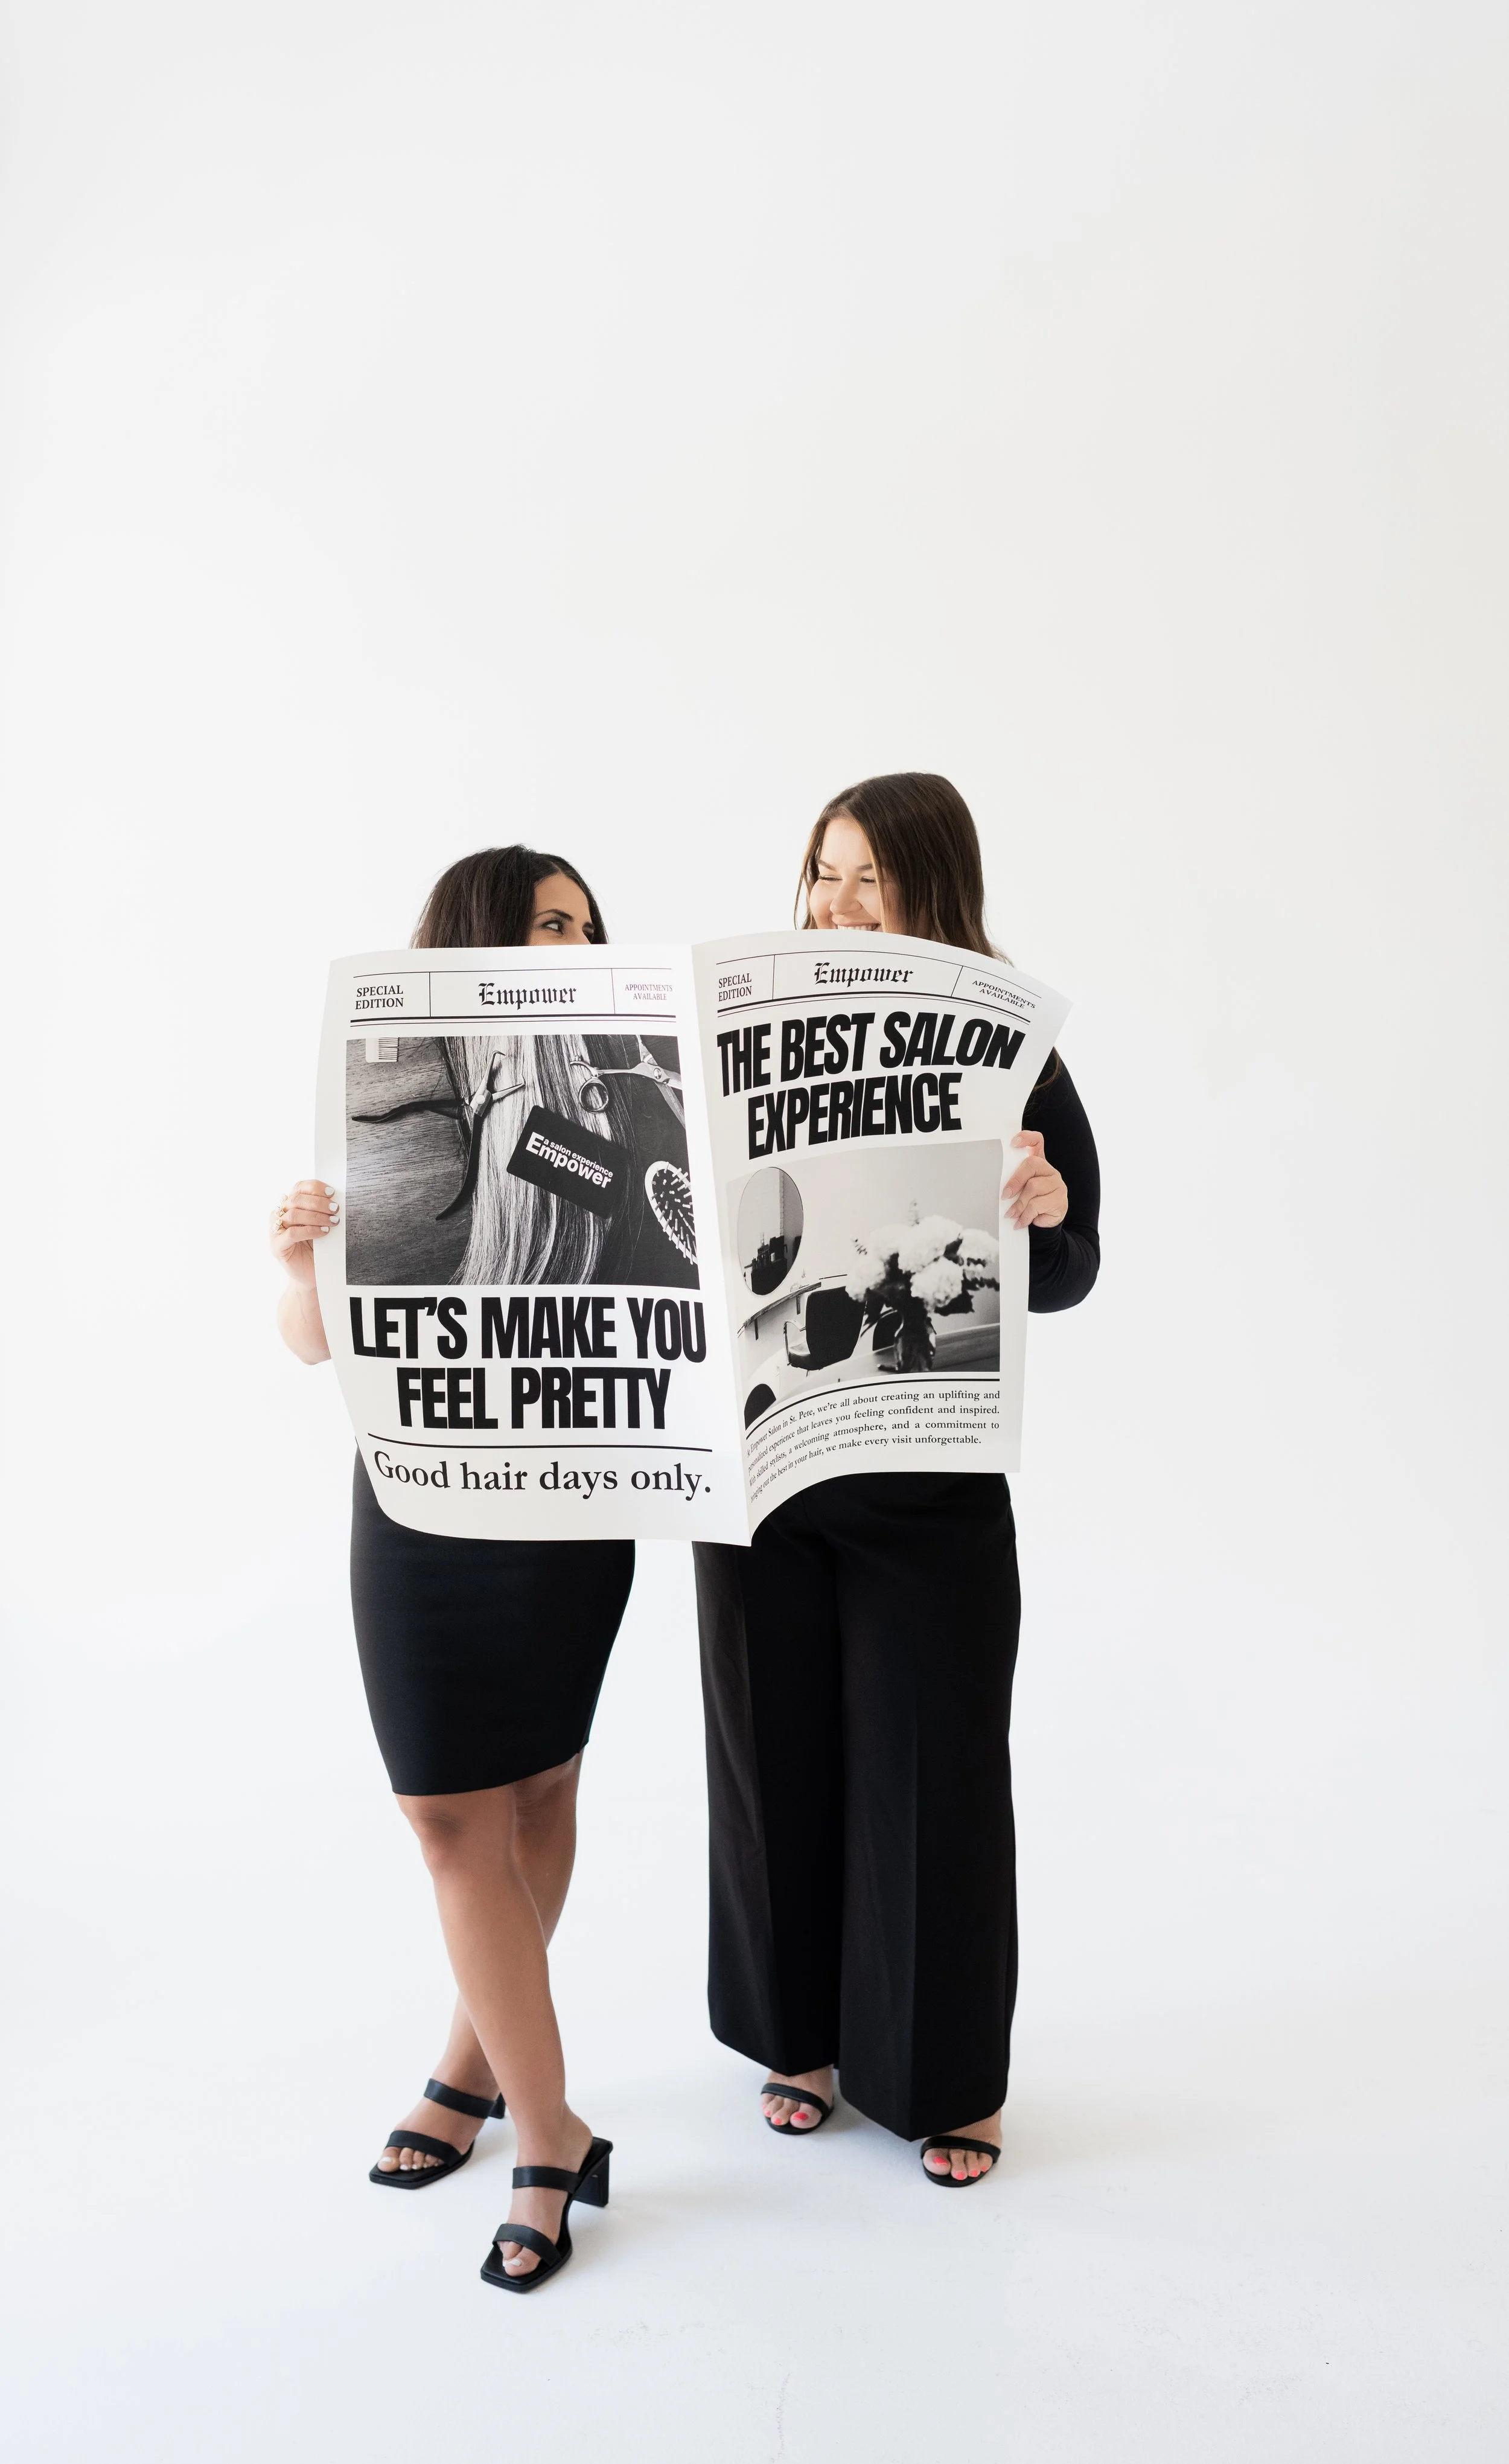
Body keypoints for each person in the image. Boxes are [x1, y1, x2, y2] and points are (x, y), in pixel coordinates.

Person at [693, 773, 1100, 2186]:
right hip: (762, 1471)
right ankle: (793, 2040)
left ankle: (942, 2078)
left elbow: (1069, 1270)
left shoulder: (1009, 1044)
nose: (837, 902)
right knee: (769, 1761)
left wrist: (1043, 1211)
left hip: (926, 1486)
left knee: (932, 1773)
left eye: (868, 875)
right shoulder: (741, 1033)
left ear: (934, 883)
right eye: (823, 871)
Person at [271, 845, 628, 2291]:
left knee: (538, 1791)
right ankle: (553, 2129)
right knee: (442, 1815)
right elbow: (320, 1347)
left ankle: (490, 2087)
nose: (572, 946)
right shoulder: (390, 1071)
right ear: (478, 935)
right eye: (548, 924)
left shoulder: (618, 1090)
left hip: (572, 1490)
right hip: (418, 1497)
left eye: (586, 928)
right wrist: (299, 1267)